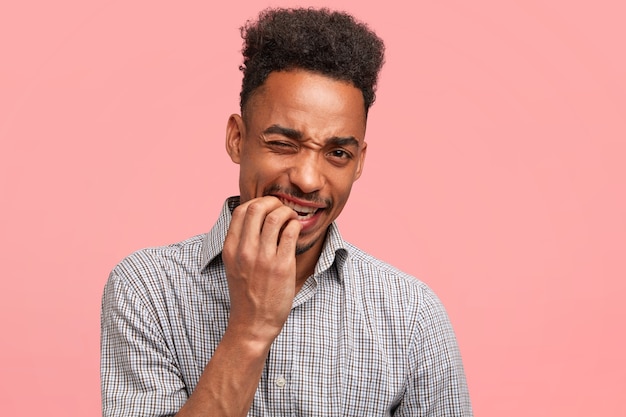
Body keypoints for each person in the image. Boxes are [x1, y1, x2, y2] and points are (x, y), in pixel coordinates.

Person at [101, 7, 472, 417]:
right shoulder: (147, 292)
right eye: (283, 143)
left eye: (337, 153)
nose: (309, 179)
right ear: (237, 139)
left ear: (359, 162)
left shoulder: (412, 316)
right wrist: (251, 329)